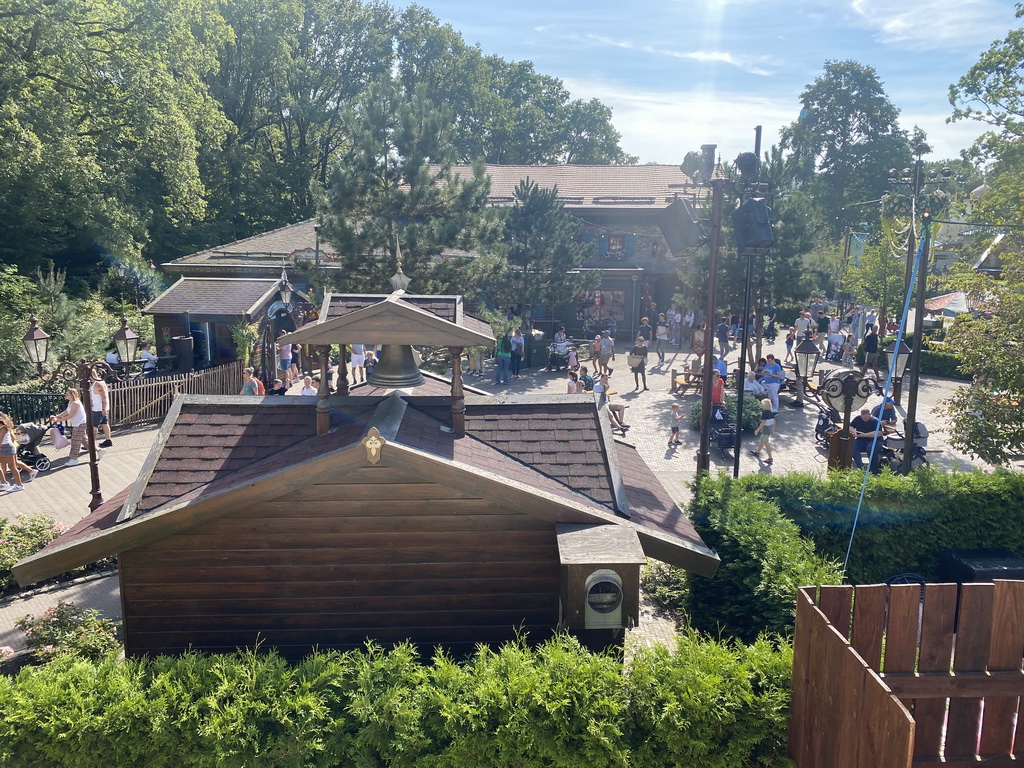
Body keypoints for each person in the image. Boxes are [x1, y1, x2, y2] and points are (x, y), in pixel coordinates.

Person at [50, 388, 97, 466]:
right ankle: (98, 450)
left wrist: (57, 420)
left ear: (72, 395)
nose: (65, 395)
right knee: (84, 440)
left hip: (80, 424)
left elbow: (70, 415)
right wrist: (57, 416)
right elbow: (66, 412)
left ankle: (73, 459)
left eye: (67, 394)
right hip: (77, 424)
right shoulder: (71, 402)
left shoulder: (76, 403)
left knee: (75, 442)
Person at [0, 412, 25, 492]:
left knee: (12, 467)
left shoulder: (3, 428)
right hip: (4, 447)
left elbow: (0, 440)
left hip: (7, 448)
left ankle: (19, 485)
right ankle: (3, 482)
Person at [750, 398, 777, 466]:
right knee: (762, 441)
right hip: (769, 429)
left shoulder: (764, 413)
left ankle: (770, 458)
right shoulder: (771, 412)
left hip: (765, 430)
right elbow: (774, 422)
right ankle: (757, 452)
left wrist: (757, 430)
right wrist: (772, 431)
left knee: (766, 443)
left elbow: (763, 423)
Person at [90, 377, 113, 448]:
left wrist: (103, 408)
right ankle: (108, 440)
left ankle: (92, 444)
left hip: (98, 409)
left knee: (94, 426)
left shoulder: (98, 384)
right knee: (104, 423)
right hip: (100, 408)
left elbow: (104, 397)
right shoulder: (98, 382)